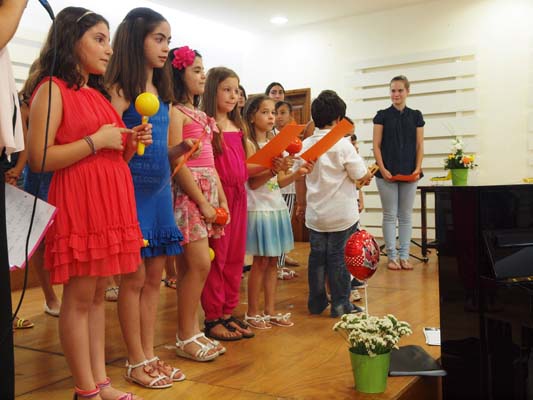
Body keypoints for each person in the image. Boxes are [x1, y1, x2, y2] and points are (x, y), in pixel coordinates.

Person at [27, 7, 152, 399]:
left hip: (109, 202)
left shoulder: (96, 95)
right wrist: (96, 141)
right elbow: (39, 157)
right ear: (71, 39)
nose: (108, 49)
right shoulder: (51, 89)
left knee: (97, 296)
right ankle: (85, 389)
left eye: (108, 40)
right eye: (99, 39)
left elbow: (113, 158)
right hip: (81, 202)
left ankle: (100, 382)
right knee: (80, 298)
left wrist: (128, 142)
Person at [106, 7, 184, 388]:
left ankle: (149, 354)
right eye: (159, 38)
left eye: (168, 40)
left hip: (160, 193)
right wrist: (128, 139)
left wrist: (181, 150)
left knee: (154, 277)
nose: (166, 47)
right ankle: (134, 359)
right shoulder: (120, 91)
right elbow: (109, 149)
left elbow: (162, 154)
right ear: (137, 39)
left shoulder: (163, 95)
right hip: (130, 193)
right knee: (133, 278)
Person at [169, 46, 228, 360]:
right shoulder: (175, 112)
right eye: (196, 70)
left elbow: (212, 163)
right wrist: (202, 201)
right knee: (199, 263)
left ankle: (191, 330)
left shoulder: (203, 115)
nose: (203, 76)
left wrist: (222, 199)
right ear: (179, 74)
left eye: (203, 70)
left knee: (194, 266)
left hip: (208, 191)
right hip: (189, 192)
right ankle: (185, 334)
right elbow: (177, 161)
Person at [295, 90, 371, 318]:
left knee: (317, 258)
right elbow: (360, 174)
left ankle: (316, 302)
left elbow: (299, 177)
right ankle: (340, 304)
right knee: (339, 258)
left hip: (316, 214)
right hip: (341, 214)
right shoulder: (343, 145)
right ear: (339, 119)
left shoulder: (304, 145)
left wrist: (301, 204)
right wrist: (367, 175)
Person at [243, 94, 312, 329]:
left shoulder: (276, 143)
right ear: (252, 116)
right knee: (260, 262)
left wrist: (296, 173)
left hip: (275, 206)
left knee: (273, 262)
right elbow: (253, 183)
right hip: (258, 207)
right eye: (265, 112)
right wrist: (272, 169)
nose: (271, 117)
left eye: (273, 112)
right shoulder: (249, 144)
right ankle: (252, 312)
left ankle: (270, 310)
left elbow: (280, 182)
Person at [200, 66, 254, 342]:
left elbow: (245, 166)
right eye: (227, 90)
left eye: (236, 90)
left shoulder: (239, 127)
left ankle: (227, 311)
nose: (234, 96)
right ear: (213, 91)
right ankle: (213, 317)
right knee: (217, 258)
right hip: (219, 198)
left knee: (235, 257)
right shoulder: (208, 125)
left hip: (240, 195)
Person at [19, 61, 61, 317]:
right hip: (36, 176)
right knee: (39, 238)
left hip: (58, 171)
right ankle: (50, 296)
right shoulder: (27, 103)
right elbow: (25, 142)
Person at [372, 75, 424, 271]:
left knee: (406, 216)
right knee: (389, 215)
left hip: (410, 172)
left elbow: (420, 145)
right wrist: (383, 169)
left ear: (407, 91)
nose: (396, 94)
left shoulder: (416, 116)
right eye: (393, 90)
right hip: (387, 173)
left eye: (400, 90)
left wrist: (417, 168)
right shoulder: (382, 115)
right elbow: (376, 145)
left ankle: (404, 256)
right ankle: (392, 256)